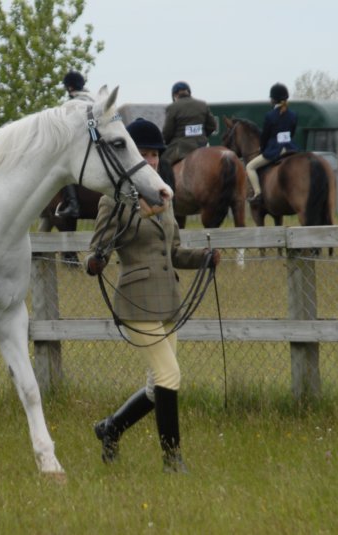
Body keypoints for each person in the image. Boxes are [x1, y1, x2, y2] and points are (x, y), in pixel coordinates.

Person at [85, 117, 221, 473]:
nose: (151, 160)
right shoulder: (113, 201)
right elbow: (96, 250)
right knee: (169, 376)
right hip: (136, 301)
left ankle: (110, 427)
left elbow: (173, 251)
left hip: (168, 301)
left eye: (154, 154)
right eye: (143, 154)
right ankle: (172, 460)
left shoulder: (164, 197)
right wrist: (95, 262)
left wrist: (203, 258)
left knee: (155, 386)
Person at [244, 82, 298, 205]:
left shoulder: (270, 116)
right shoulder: (293, 115)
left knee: (250, 167)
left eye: (271, 98)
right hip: (291, 148)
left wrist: (262, 149)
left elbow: (265, 136)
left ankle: (258, 193)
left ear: (273, 99)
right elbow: (292, 132)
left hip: (275, 150)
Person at [55, 70, 92, 219]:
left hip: (82, 146)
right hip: (96, 144)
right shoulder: (91, 100)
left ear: (70, 88)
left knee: (63, 168)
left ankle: (73, 205)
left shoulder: (72, 104)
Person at [161, 81, 217, 167]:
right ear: (189, 92)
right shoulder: (202, 105)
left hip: (180, 147)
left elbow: (167, 132)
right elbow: (212, 126)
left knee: (162, 163)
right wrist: (202, 135)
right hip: (202, 145)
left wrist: (166, 141)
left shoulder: (173, 107)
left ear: (175, 95)